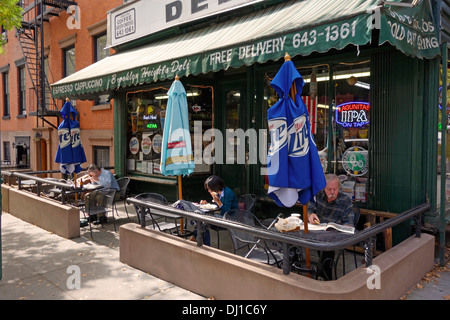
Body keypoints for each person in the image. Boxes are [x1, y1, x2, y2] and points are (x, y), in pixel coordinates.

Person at [307, 173, 354, 280]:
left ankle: (326, 278)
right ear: (324, 188)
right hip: (316, 231)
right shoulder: (318, 195)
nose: (332, 192)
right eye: (329, 189)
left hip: (333, 236)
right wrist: (310, 215)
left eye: (335, 189)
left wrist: (343, 228)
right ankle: (295, 271)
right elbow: (309, 209)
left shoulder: (345, 200)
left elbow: (349, 222)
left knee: (327, 251)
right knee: (294, 241)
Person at [192, 175, 238, 246]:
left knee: (204, 222)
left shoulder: (228, 193)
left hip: (230, 219)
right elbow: (217, 206)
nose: (209, 191)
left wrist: (218, 201)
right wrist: (207, 204)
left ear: (216, 187)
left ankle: (203, 243)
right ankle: (197, 238)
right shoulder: (218, 193)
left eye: (210, 189)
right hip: (221, 215)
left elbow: (226, 212)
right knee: (201, 219)